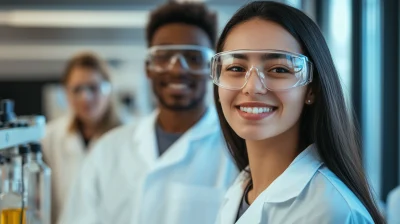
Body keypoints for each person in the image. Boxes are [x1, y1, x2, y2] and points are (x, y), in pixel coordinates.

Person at [59, 2, 237, 224]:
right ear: (148, 68)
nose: (177, 69)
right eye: (164, 56)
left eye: (193, 58)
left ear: (213, 68)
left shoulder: (236, 153)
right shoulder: (107, 151)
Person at [211, 1, 385, 223]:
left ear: (311, 90)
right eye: (236, 68)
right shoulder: (241, 189)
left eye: (279, 69)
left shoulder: (331, 211)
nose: (252, 87)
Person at [41, 52, 121, 223]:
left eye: (93, 88)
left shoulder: (128, 137)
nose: (85, 97)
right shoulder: (51, 137)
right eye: (77, 89)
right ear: (66, 92)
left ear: (108, 89)